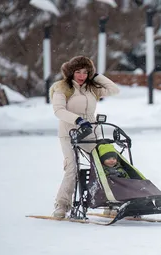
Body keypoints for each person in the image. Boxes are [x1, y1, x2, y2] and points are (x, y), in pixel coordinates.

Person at [50, 55, 120, 218]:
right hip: (69, 133)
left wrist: (96, 76)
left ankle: (108, 202)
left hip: (91, 132)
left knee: (103, 165)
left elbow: (114, 90)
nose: (82, 76)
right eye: (78, 72)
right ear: (71, 72)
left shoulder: (91, 88)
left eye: (85, 72)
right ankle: (62, 205)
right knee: (72, 168)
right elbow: (58, 110)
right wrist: (78, 120)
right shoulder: (61, 88)